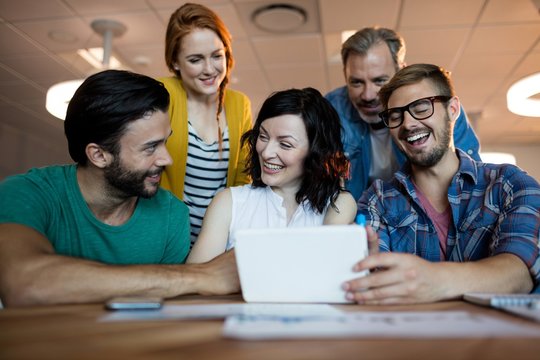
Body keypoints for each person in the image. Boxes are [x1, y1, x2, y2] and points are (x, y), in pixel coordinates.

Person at [0, 70, 239, 308]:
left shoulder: (171, 214)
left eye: (165, 141)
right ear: (99, 155)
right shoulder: (25, 194)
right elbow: (24, 284)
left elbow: (168, 314)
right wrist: (202, 276)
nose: (166, 159)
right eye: (150, 147)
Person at [343, 63, 540, 304]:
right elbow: (375, 283)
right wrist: (369, 271)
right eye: (395, 116)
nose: (407, 124)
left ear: (453, 109)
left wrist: (435, 279)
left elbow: (519, 273)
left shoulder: (511, 185)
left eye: (421, 108)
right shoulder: (378, 200)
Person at [187, 88, 357, 263]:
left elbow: (327, 263)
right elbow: (194, 279)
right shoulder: (229, 203)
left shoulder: (338, 204)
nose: (267, 152)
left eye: (285, 144)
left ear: (316, 152)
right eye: (263, 136)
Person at [325, 27, 481, 201]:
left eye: (380, 81)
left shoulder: (439, 110)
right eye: (356, 83)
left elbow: (471, 185)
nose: (368, 95)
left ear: (401, 71)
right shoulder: (330, 112)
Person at [159, 3, 252, 245]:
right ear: (175, 62)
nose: (209, 69)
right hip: (166, 240)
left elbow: (244, 179)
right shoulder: (162, 94)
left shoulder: (239, 104)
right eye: (195, 59)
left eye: (216, 56)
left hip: (218, 242)